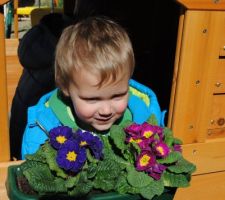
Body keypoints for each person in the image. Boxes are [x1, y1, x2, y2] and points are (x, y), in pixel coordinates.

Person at [21, 16, 165, 159]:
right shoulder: (44, 129)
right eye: (92, 99)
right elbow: (33, 171)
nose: (106, 110)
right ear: (65, 86)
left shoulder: (146, 117)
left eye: (117, 96)